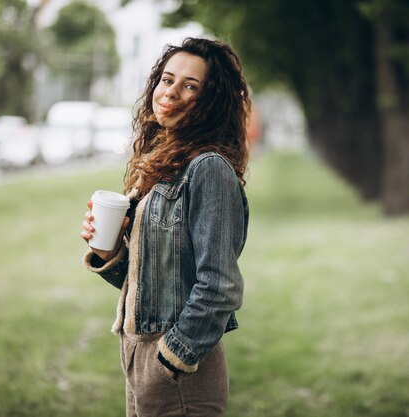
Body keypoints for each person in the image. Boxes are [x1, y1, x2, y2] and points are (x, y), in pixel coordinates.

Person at [80, 37, 250, 417]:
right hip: (137, 351)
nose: (171, 92)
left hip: (179, 369)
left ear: (212, 101)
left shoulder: (208, 170)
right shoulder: (163, 167)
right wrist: (110, 254)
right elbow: (159, 278)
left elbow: (219, 286)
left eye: (191, 86)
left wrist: (171, 358)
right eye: (167, 79)